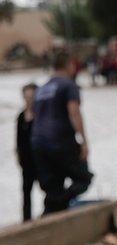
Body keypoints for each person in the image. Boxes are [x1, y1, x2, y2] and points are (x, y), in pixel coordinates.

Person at [31, 50, 94, 215]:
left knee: (53, 185)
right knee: (84, 178)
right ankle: (59, 202)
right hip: (60, 140)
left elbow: (35, 116)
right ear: (69, 65)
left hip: (38, 143)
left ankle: (51, 212)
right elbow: (74, 112)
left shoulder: (41, 89)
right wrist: (84, 142)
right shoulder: (68, 85)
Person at [16, 83, 38, 222]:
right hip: (26, 162)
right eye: (26, 97)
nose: (29, 100)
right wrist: (18, 155)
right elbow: (18, 139)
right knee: (26, 193)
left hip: (41, 160)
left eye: (32, 97)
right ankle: (26, 220)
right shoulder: (21, 116)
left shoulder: (42, 116)